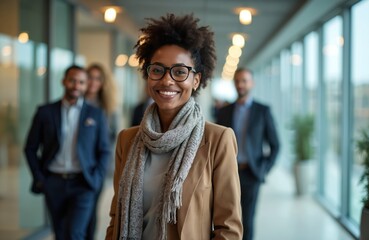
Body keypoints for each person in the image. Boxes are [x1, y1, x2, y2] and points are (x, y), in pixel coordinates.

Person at [106, 14, 243, 240]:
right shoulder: (127, 139)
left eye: (180, 71)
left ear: (196, 80)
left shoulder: (218, 139)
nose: (167, 81)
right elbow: (116, 216)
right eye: (157, 70)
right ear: (148, 74)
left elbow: (229, 229)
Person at [24, 65, 111, 240]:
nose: (76, 85)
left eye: (81, 82)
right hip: (53, 182)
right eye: (72, 80)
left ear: (86, 86)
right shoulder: (45, 112)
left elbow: (105, 150)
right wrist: (40, 179)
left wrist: (96, 178)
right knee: (61, 233)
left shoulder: (96, 114)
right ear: (64, 81)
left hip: (83, 183)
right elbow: (30, 148)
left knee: (75, 233)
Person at [216, 68, 280, 240]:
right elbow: (216, 143)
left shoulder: (262, 111)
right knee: (226, 218)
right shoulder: (224, 111)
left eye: (244, 81)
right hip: (228, 172)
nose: (240, 85)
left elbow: (275, 145)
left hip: (251, 172)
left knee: (248, 219)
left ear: (252, 83)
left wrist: (263, 169)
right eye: (237, 81)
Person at [85, 63, 119, 239]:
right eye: (90, 77)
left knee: (91, 210)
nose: (93, 82)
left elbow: (113, 138)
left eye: (98, 78)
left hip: (97, 166)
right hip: (76, 164)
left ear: (103, 82)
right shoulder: (77, 100)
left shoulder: (108, 108)